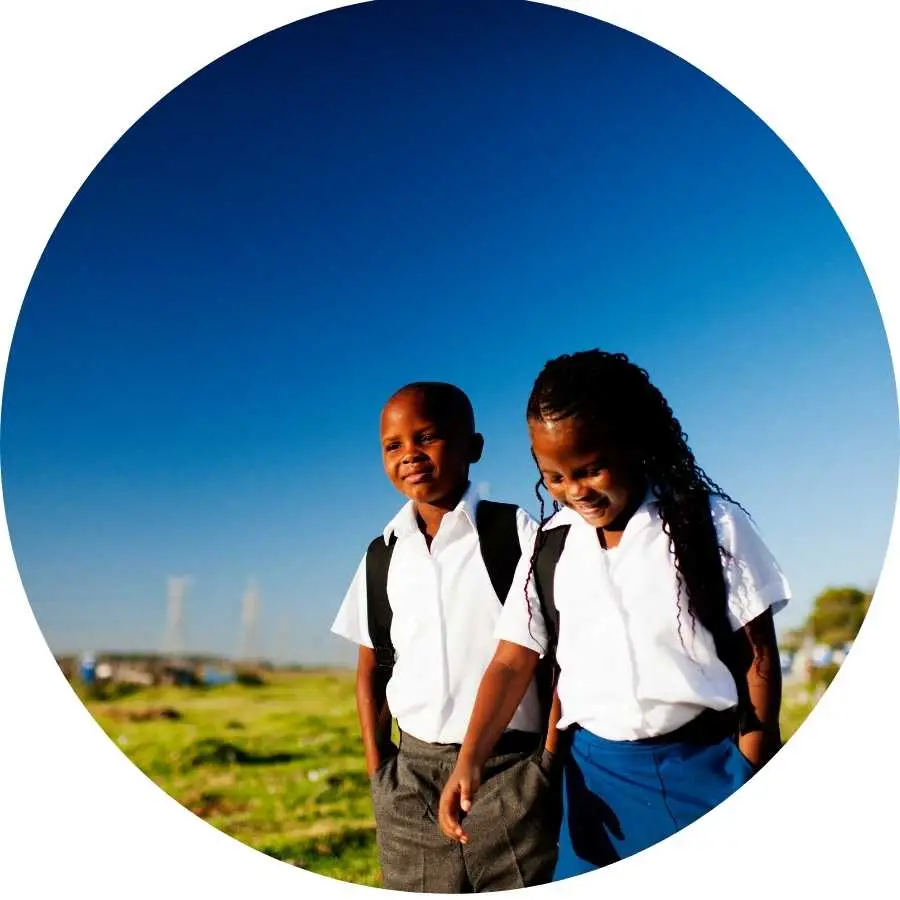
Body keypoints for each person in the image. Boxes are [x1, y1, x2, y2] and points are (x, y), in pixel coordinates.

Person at [437, 351, 790, 876]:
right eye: (554, 476)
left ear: (635, 443)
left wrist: (751, 763)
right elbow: (512, 660)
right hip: (595, 786)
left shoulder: (707, 523)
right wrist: (471, 758)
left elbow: (757, 655)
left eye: (591, 469)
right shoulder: (551, 546)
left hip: (708, 767)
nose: (575, 491)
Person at [331, 381, 562, 892]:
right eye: (393, 446)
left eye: (427, 437)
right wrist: (379, 770)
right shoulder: (382, 556)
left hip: (511, 771)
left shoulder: (515, 533)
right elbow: (370, 668)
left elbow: (555, 655)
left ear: (472, 448)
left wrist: (545, 761)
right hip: (409, 779)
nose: (409, 454)